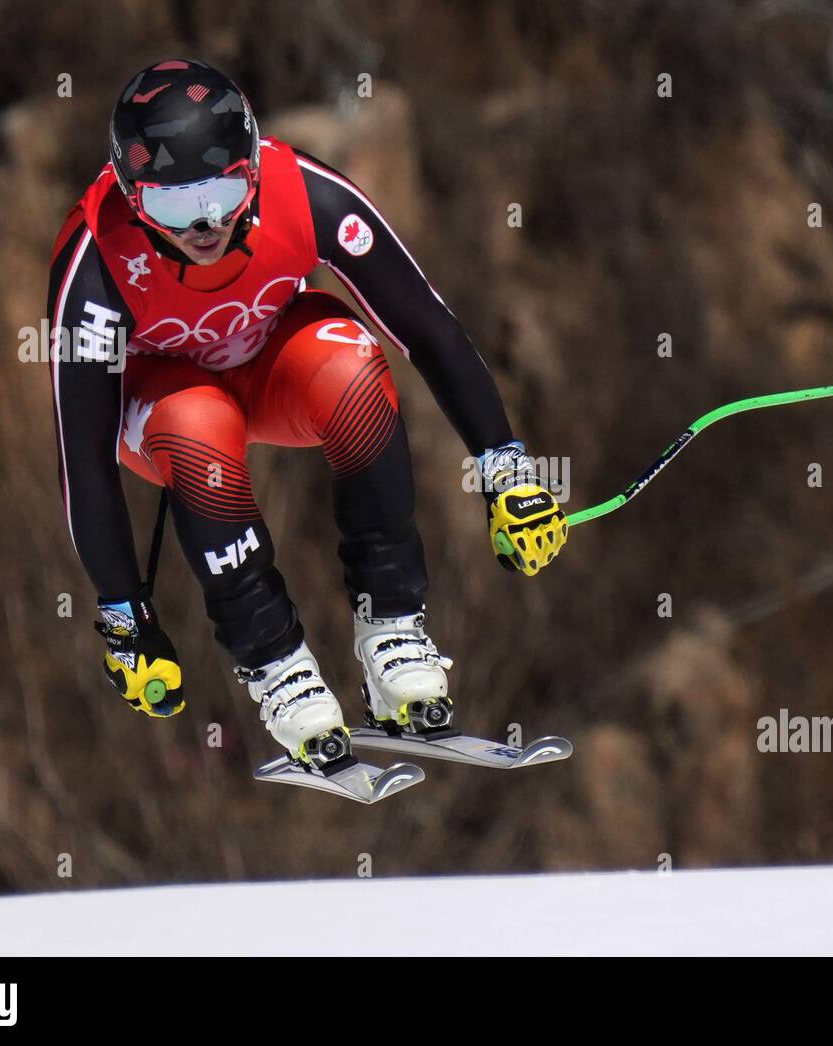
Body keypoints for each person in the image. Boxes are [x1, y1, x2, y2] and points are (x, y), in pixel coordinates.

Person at [47, 59, 568, 769]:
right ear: (134, 199)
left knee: (353, 366)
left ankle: (392, 629)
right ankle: (278, 664)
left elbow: (429, 328)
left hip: (271, 371)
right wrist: (122, 614)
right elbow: (83, 459)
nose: (204, 224)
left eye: (225, 192)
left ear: (253, 168)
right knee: (199, 428)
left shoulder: (305, 194)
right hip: (164, 404)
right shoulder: (97, 262)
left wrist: (505, 467)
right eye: (174, 207)